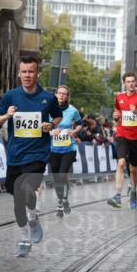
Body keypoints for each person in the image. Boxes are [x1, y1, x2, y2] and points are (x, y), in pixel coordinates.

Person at [0, 55, 62, 257]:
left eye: (31, 71)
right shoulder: (10, 96)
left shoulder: (48, 98)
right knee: (16, 198)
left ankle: (24, 239)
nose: (27, 75)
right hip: (15, 155)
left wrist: (51, 125)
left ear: (37, 73)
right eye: (24, 71)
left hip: (38, 154)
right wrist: (7, 116)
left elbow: (57, 115)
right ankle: (30, 222)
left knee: (25, 187)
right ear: (19, 73)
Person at [108, 73, 137, 209]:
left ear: (136, 82)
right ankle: (117, 196)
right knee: (121, 163)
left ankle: (133, 191)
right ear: (124, 83)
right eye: (128, 82)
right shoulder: (119, 97)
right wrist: (115, 117)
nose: (131, 84)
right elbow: (116, 112)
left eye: (133, 81)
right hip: (122, 134)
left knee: (134, 168)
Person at [49, 84, 83, 216]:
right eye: (59, 93)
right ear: (56, 94)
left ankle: (60, 204)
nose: (62, 95)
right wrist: (50, 132)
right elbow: (43, 126)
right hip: (53, 149)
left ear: (68, 96)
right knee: (57, 178)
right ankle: (63, 199)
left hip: (69, 148)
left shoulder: (73, 111)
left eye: (64, 93)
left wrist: (74, 131)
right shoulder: (49, 110)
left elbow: (80, 124)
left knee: (63, 174)